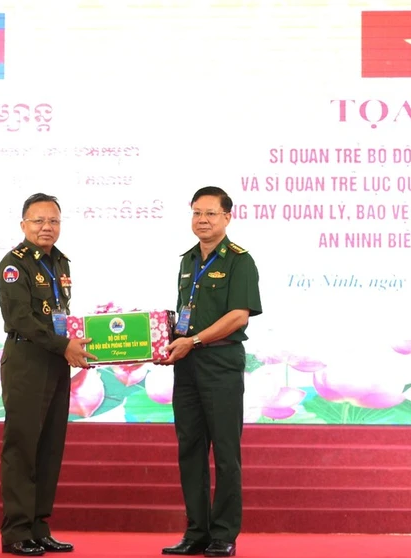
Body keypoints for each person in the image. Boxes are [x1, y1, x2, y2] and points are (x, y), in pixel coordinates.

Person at [158, 186, 262, 557]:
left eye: (211, 214)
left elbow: (238, 316)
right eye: (196, 213)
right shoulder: (188, 260)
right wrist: (163, 342)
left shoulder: (239, 260)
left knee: (226, 452)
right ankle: (196, 532)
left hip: (220, 364)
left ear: (227, 217)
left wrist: (195, 340)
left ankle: (223, 535)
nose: (202, 220)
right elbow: (184, 316)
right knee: (190, 449)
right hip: (186, 366)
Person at [0, 193, 97, 556]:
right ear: (23, 224)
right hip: (27, 360)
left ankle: (40, 527)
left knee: (49, 448)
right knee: (22, 448)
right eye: (38, 221)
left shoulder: (60, 262)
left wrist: (73, 344)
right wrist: (63, 345)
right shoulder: (14, 264)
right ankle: (17, 532)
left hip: (55, 361)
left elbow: (60, 314)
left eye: (53, 221)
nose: (46, 227)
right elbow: (20, 318)